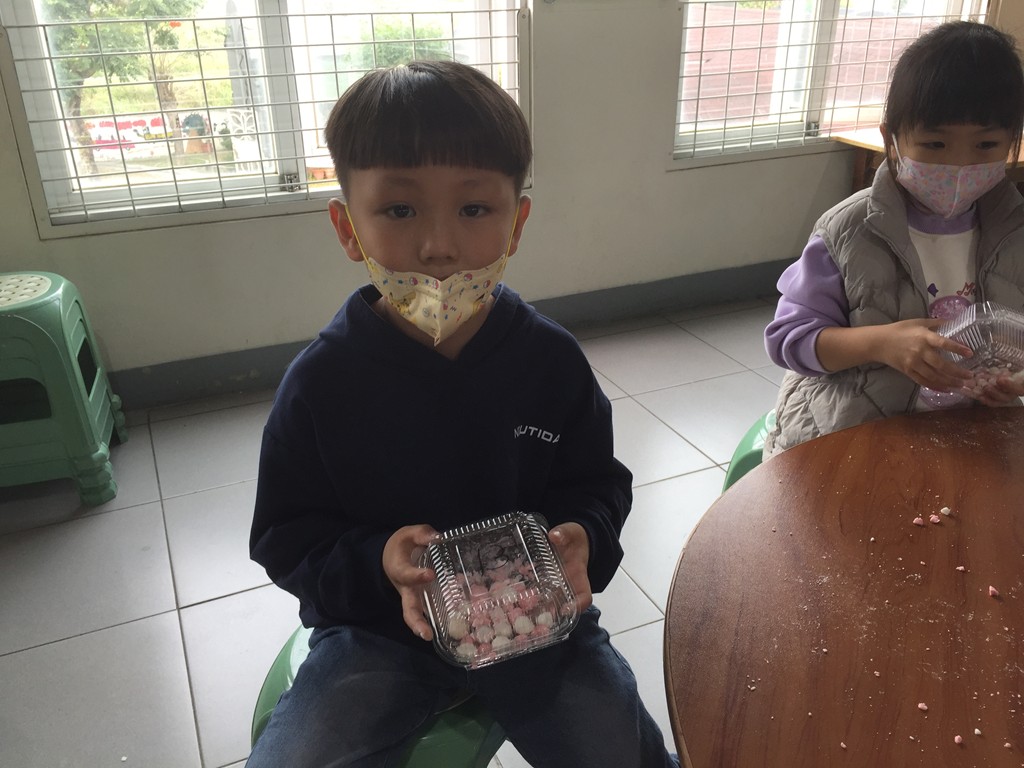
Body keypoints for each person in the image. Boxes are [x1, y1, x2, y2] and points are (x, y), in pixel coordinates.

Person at [246, 60, 678, 768]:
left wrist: (582, 539)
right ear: (348, 228)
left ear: (517, 223)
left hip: (535, 624)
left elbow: (597, 485)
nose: (438, 246)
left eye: (474, 210)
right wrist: (379, 563)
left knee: (619, 751)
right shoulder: (320, 384)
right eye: (399, 210)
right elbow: (285, 537)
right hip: (379, 634)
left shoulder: (550, 362)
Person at [763, 20, 1024, 456]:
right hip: (856, 433)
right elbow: (788, 341)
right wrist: (882, 343)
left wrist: (1015, 379)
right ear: (893, 139)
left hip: (972, 438)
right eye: (935, 145)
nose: (960, 165)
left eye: (985, 145)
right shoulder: (848, 231)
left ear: (1013, 142)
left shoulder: (1016, 232)